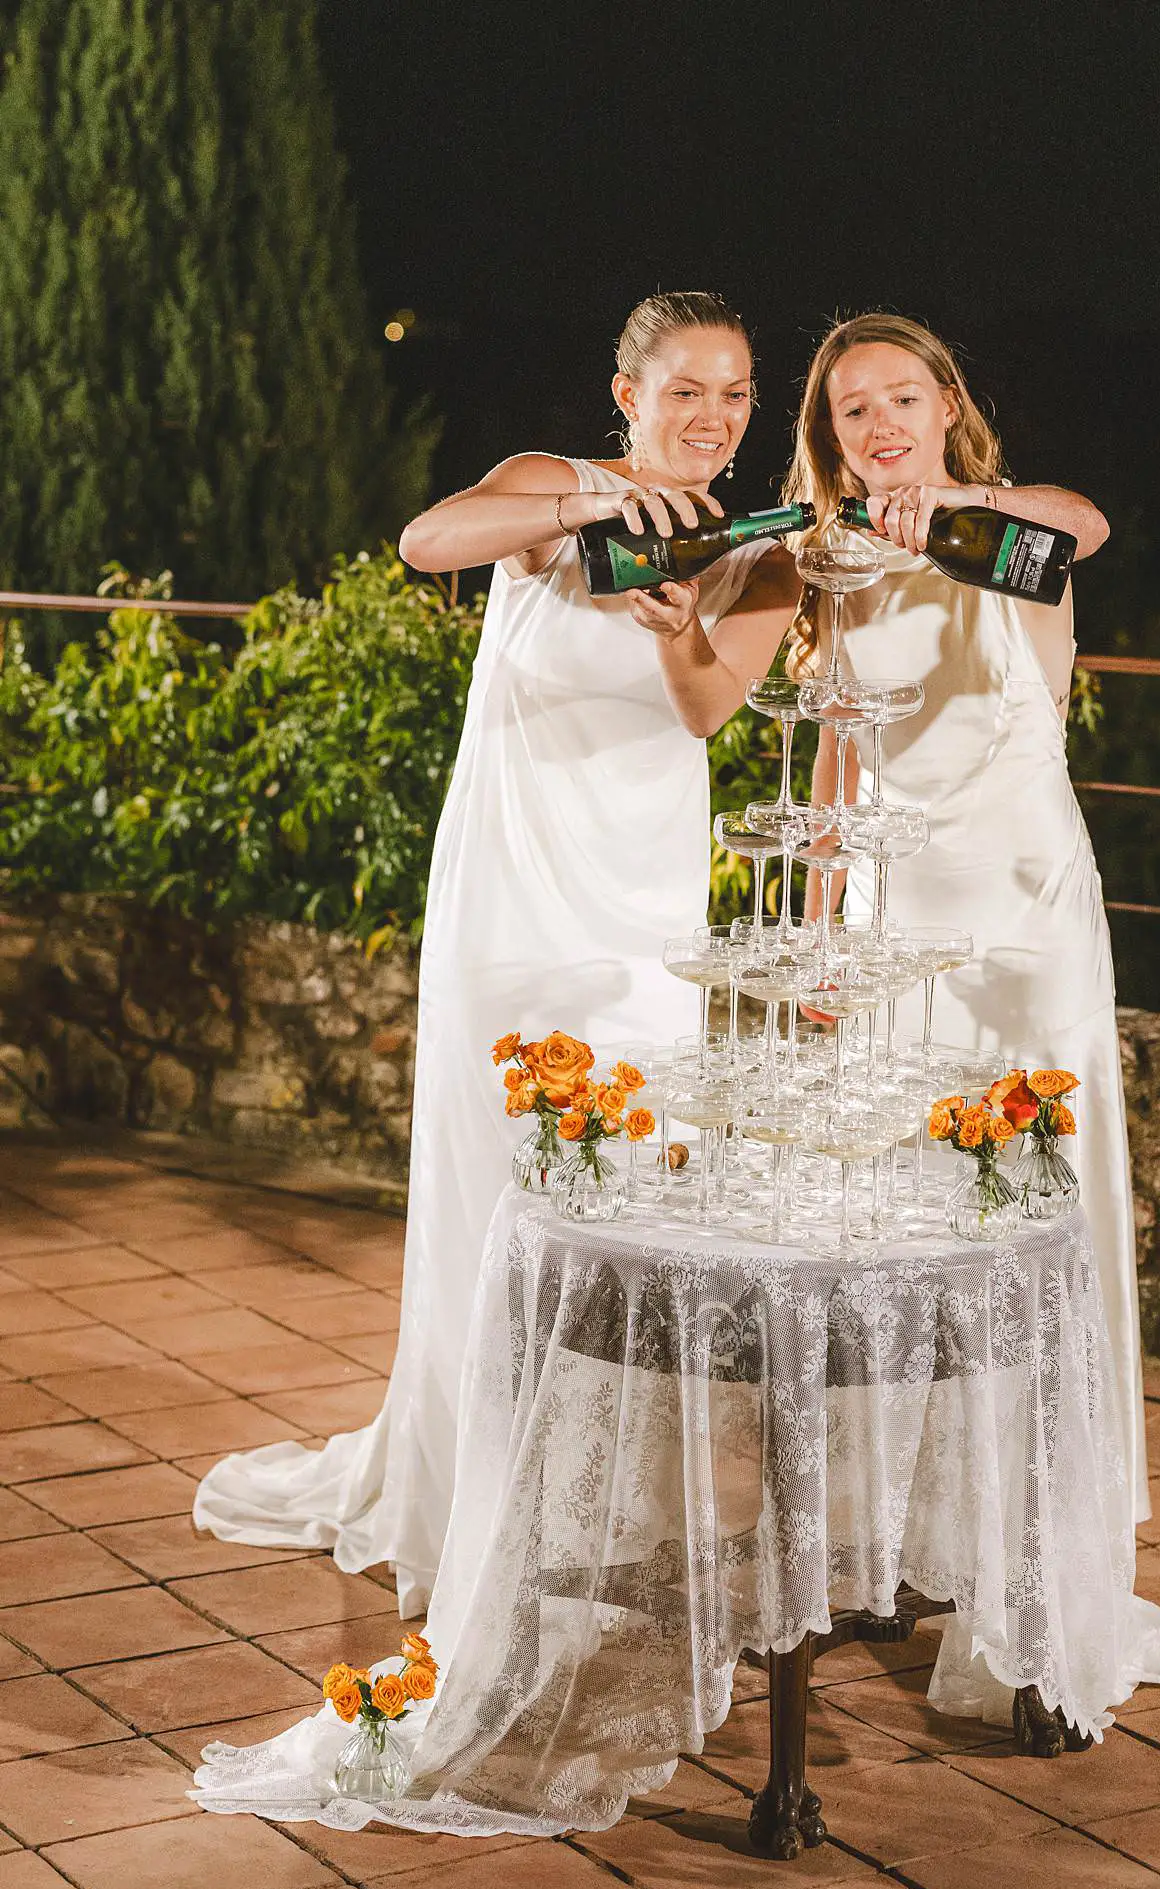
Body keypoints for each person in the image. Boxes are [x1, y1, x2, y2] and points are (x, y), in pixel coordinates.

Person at [192, 292, 800, 1610]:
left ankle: (606, 1500)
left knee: (632, 1197)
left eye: (737, 393)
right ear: (628, 394)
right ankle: (476, 1487)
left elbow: (704, 709)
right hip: (518, 891)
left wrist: (684, 613)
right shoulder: (555, 491)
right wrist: (587, 514)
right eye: (684, 388)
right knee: (501, 1177)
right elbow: (427, 539)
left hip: (641, 911)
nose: (711, 415)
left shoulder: (760, 550)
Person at [663, 311, 1147, 1522]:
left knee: (1037, 1194)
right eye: (852, 410)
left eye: (902, 400)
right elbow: (834, 772)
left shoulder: (1013, 530)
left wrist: (955, 520)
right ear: (830, 438)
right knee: (904, 1212)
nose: (881, 426)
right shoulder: (836, 570)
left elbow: (1084, 521)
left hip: (1022, 912)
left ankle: (1049, 1530)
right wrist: (821, 926)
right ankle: (917, 1522)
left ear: (947, 406)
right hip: (891, 925)